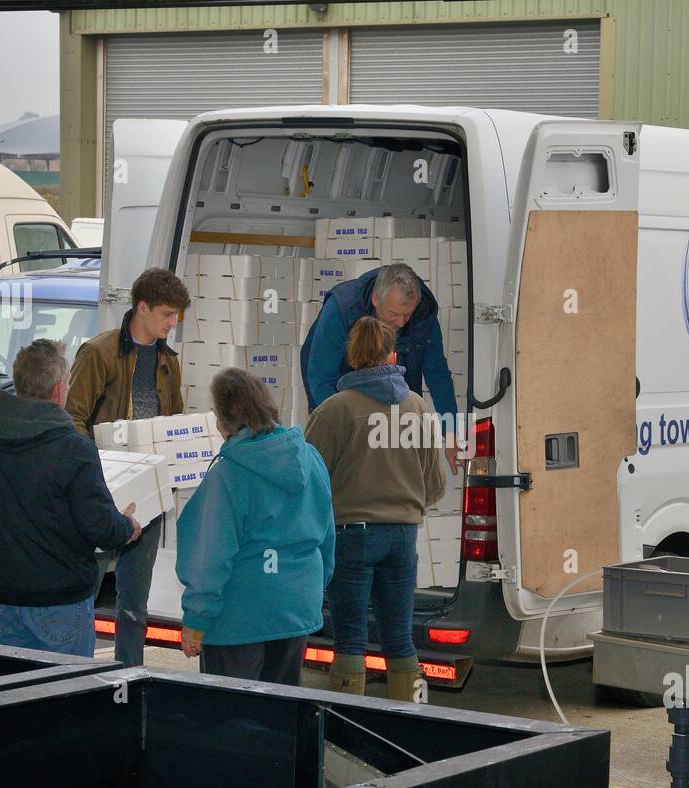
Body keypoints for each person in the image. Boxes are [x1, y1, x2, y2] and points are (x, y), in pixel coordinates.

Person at [0, 339, 142, 656]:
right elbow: (100, 528)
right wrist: (127, 525)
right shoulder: (73, 449)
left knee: (13, 696)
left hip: (3, 599)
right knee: (64, 700)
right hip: (61, 602)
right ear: (58, 390)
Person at [303, 316, 446, 699]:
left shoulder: (333, 412)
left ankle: (348, 721)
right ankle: (410, 718)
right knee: (400, 639)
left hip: (351, 536)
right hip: (402, 535)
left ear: (352, 358)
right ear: (393, 356)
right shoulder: (418, 408)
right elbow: (435, 484)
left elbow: (309, 482)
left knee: (350, 639)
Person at [176, 368, 335, 685]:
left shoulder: (228, 475)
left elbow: (209, 555)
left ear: (223, 419)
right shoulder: (311, 458)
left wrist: (196, 616)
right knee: (280, 712)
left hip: (240, 615)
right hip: (297, 605)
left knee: (230, 717)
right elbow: (327, 538)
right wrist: (313, 587)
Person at [66, 266, 189, 666]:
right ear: (143, 307)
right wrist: (99, 476)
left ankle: (130, 674)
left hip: (149, 491)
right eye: (167, 314)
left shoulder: (169, 361)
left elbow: (173, 422)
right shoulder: (99, 352)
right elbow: (73, 418)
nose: (173, 323)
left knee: (135, 598)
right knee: (87, 587)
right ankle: (76, 672)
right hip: (103, 492)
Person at [300, 262, 461, 475]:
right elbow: (320, 378)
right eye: (394, 314)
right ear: (376, 300)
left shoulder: (423, 314)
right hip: (339, 388)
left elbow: (438, 375)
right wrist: (346, 429)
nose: (402, 322)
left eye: (407, 315)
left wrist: (451, 433)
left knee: (396, 458)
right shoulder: (342, 308)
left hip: (397, 389)